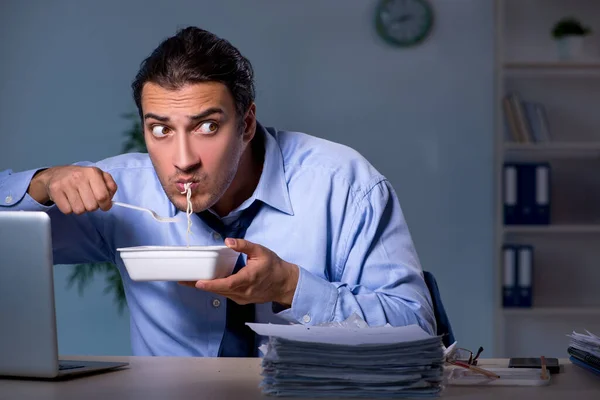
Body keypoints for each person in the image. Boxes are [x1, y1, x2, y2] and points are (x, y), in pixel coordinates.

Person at [0, 26, 436, 357]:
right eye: (160, 130)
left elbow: (417, 329)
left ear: (246, 124)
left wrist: (289, 286)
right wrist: (41, 184)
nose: (182, 159)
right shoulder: (122, 190)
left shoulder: (343, 185)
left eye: (207, 126)